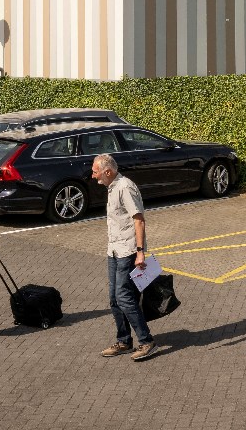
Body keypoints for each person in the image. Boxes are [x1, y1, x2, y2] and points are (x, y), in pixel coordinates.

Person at [93, 153, 157, 361]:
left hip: (128, 251)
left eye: (95, 172)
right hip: (114, 250)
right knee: (114, 299)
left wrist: (140, 252)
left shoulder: (125, 187)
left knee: (124, 297)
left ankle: (146, 341)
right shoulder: (112, 187)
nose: (93, 176)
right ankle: (124, 341)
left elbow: (139, 220)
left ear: (107, 172)